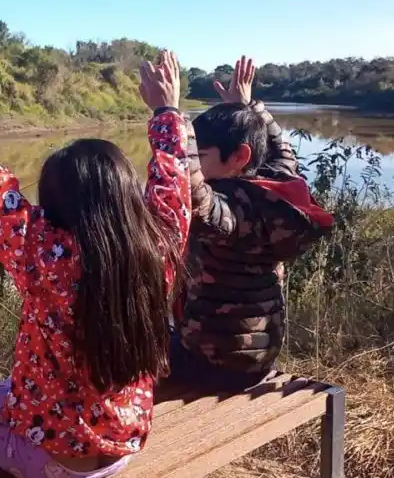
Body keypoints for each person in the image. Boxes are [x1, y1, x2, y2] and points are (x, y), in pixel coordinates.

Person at [0, 59, 193, 477]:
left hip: (47, 462)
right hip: (121, 449)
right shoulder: (160, 242)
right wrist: (166, 111)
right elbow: (173, 179)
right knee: (10, 389)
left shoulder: (42, 254)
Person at [141, 55, 334, 394]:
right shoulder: (276, 191)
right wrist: (249, 109)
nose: (196, 163)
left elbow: (191, 194)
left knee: (119, 341)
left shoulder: (234, 212)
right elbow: (281, 151)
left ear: (239, 158)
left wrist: (168, 114)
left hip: (211, 364)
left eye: (201, 156)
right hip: (257, 359)